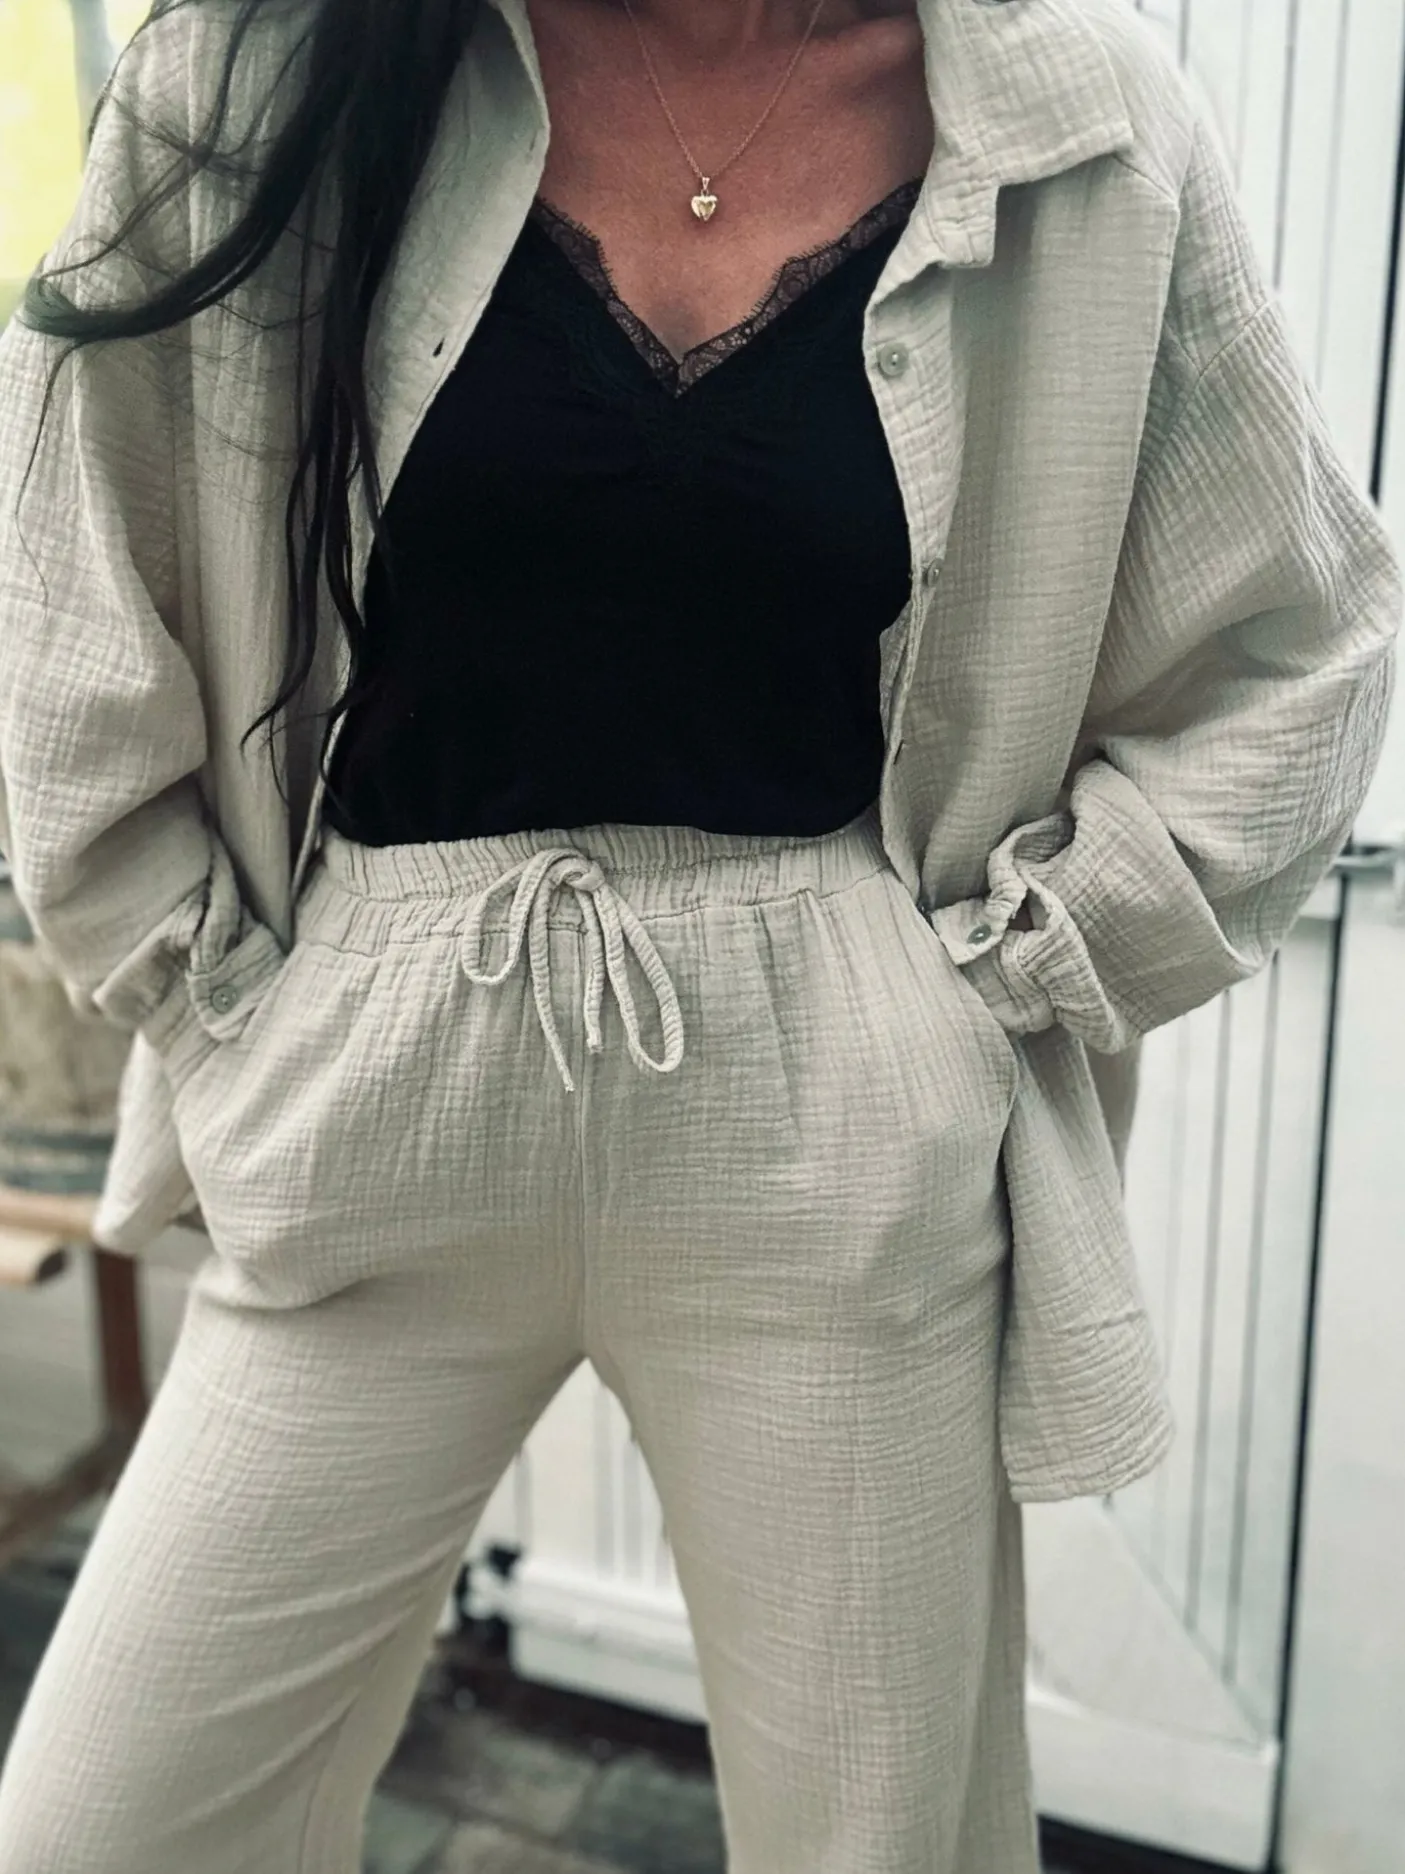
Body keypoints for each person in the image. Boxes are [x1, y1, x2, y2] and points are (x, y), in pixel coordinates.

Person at [0, 0, 1397, 1867]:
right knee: (105, 1825)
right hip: (372, 1077)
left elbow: (1301, 642)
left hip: (832, 1114)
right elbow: (72, 585)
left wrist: (1003, 973)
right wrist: (213, 998)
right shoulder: (273, 70)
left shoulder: (1080, 126)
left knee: (874, 1840)